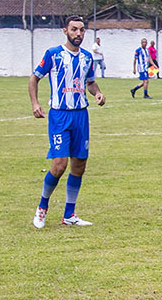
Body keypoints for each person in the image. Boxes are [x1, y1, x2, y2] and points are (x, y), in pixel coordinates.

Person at [29, 16, 106, 228]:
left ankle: (69, 214)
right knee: (59, 165)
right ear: (65, 31)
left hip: (81, 115)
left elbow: (90, 82)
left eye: (81, 30)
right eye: (74, 29)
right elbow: (34, 78)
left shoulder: (87, 57)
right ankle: (42, 208)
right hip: (60, 116)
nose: (78, 33)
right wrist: (35, 103)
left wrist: (98, 93)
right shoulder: (53, 54)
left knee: (79, 164)